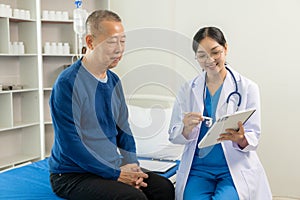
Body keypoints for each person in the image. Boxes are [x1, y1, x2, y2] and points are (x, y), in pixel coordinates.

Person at [48, 10, 175, 200]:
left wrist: (132, 166)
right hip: (73, 174)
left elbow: (124, 129)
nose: (119, 49)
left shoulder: (114, 81)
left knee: (163, 187)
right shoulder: (68, 83)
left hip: (110, 167)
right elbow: (70, 144)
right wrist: (115, 174)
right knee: (133, 198)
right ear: (90, 42)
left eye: (122, 41)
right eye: (111, 42)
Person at [168, 26, 272, 200]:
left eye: (215, 52)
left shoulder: (247, 88)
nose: (210, 60)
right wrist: (185, 128)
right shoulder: (188, 89)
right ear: (196, 58)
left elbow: (254, 135)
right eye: (202, 55)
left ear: (226, 48)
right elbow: (173, 134)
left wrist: (241, 139)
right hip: (198, 169)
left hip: (233, 167)